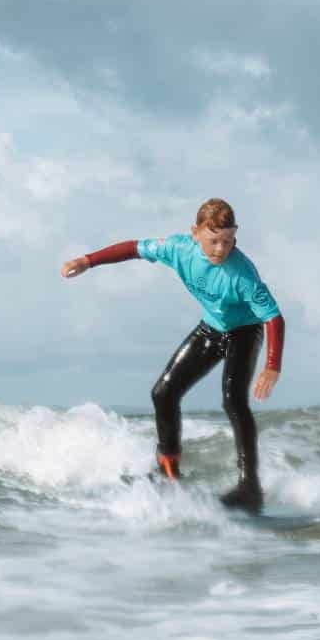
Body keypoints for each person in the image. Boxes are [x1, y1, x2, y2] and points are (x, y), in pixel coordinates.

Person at [62, 198, 284, 512]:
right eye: (214, 240)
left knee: (234, 399)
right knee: (163, 393)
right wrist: (88, 260)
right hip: (212, 328)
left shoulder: (243, 274)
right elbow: (134, 248)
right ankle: (168, 473)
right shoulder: (179, 249)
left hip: (245, 333)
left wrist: (272, 366)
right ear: (195, 233)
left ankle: (250, 489)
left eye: (228, 240)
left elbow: (273, 317)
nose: (221, 249)